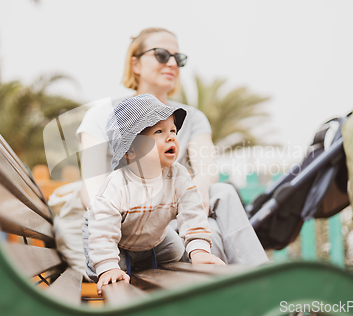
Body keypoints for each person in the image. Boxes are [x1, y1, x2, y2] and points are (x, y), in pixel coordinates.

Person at [53, 27, 268, 279]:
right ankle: (249, 292)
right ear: (135, 64)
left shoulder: (194, 118)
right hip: (119, 222)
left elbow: (207, 171)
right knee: (212, 232)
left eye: (179, 58)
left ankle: (261, 282)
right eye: (162, 55)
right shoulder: (105, 115)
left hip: (167, 216)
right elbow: (92, 191)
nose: (172, 64)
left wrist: (190, 192)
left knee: (221, 194)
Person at [85, 94, 225, 294]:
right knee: (113, 273)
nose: (171, 137)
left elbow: (193, 215)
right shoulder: (117, 185)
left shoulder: (179, 176)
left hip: (152, 237)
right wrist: (108, 266)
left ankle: (157, 276)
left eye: (173, 130)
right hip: (114, 239)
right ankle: (111, 269)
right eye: (159, 131)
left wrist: (200, 251)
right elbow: (103, 231)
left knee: (176, 251)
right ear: (131, 150)